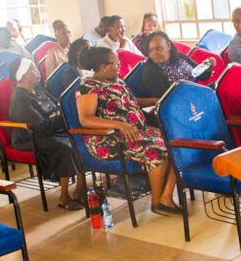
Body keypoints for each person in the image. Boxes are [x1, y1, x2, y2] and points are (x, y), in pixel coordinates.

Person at [76, 47, 180, 215]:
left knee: (176, 143)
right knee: (157, 150)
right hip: (108, 139)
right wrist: (120, 125)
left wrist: (154, 101)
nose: (119, 66)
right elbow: (86, 119)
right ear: (104, 67)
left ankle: (166, 198)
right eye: (116, 63)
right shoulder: (88, 86)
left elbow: (131, 102)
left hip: (133, 132)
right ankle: (157, 203)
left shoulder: (117, 81)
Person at [8, 58, 83, 210]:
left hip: (52, 129)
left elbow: (57, 105)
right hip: (30, 136)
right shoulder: (20, 99)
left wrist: (62, 114)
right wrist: (61, 118)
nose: (37, 72)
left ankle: (80, 189)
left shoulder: (38, 89)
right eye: (33, 69)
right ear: (23, 75)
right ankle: (64, 197)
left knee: (80, 140)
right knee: (65, 147)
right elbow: (39, 126)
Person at [142, 31, 213, 99]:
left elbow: (203, 76)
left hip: (197, 94)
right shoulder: (150, 71)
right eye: (150, 50)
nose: (154, 53)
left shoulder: (180, 57)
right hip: (182, 103)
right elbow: (164, 98)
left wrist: (209, 66)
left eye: (158, 48)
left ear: (168, 45)